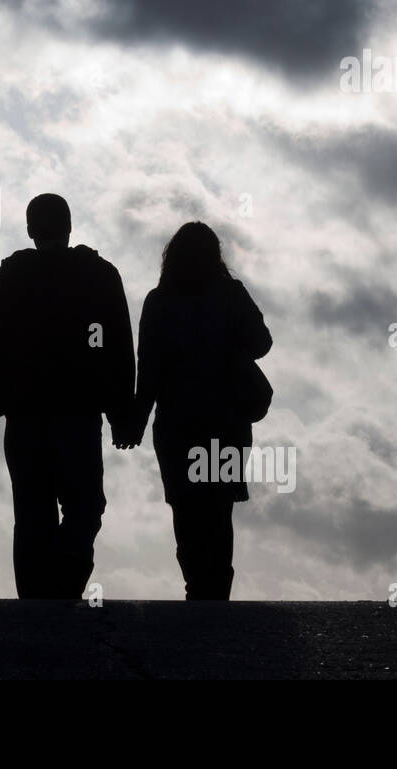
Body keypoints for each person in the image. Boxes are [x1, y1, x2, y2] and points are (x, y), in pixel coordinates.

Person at [0, 194, 135, 598]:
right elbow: (118, 349)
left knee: (31, 512)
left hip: (24, 415)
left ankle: (35, 599)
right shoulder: (99, 274)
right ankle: (63, 583)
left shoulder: (8, 278)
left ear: (30, 230)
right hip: (78, 414)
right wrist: (121, 411)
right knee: (84, 506)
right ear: (70, 225)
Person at [131, 221, 272, 600]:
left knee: (187, 511)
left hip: (178, 425)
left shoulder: (159, 302)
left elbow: (148, 371)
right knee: (217, 511)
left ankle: (197, 589)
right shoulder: (231, 295)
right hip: (225, 422)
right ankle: (217, 595)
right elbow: (262, 343)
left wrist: (135, 422)